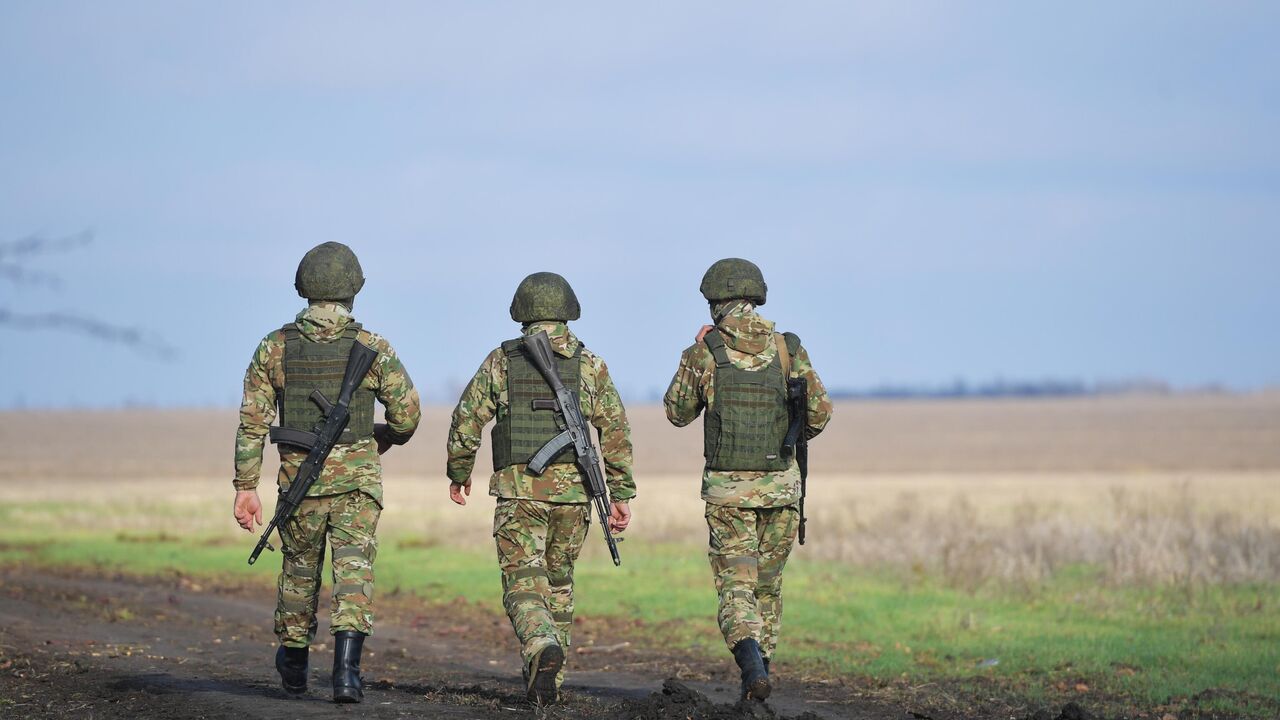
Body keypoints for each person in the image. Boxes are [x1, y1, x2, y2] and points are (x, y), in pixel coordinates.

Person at [232, 242, 421, 703]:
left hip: (300, 485)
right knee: (353, 574)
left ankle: (294, 665)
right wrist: (382, 438)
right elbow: (408, 415)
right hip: (357, 485)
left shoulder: (275, 347)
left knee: (299, 572)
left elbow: (253, 422)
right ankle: (346, 674)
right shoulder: (373, 347)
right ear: (354, 290)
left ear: (304, 289)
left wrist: (245, 486)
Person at [446, 271, 635, 705]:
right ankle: (551, 680)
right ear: (569, 310)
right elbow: (617, 431)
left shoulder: (502, 360)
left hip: (519, 493)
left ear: (521, 312)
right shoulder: (590, 364)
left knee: (524, 582)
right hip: (574, 497)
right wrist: (620, 494)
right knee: (560, 583)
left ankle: (540, 646)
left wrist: (459, 472)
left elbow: (466, 420)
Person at [663, 258, 832, 701]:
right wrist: (786, 433)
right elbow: (819, 415)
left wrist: (693, 352)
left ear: (715, 302)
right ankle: (759, 679)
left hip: (729, 495)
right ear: (755, 297)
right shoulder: (787, 349)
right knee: (768, 588)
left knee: (736, 585)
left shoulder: (706, 352)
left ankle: (751, 666)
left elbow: (676, 413)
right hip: (781, 489)